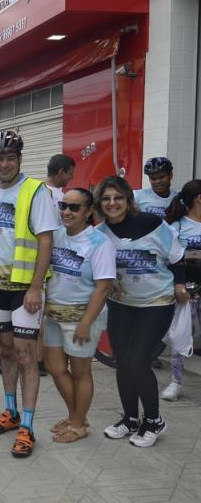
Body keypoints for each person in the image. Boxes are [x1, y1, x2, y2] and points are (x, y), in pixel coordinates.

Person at [0, 130, 59, 458]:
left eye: (11, 158)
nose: (5, 164)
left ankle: (27, 425)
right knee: (7, 352)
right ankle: (10, 412)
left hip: (25, 290)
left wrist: (36, 287)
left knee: (26, 356)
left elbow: (46, 241)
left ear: (20, 159)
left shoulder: (35, 191)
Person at [95, 175, 184, 447]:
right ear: (100, 203)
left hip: (156, 303)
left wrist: (180, 285)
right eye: (106, 199)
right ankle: (131, 419)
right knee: (122, 362)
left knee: (137, 361)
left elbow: (177, 258)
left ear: (128, 200)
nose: (113, 203)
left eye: (118, 198)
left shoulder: (153, 224)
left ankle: (154, 420)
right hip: (122, 305)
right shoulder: (100, 234)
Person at [43, 188, 115, 442]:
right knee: (54, 367)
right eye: (63, 206)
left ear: (88, 212)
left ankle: (77, 424)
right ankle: (76, 415)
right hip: (53, 313)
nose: (66, 212)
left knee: (81, 372)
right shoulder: (56, 235)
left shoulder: (99, 243)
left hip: (82, 315)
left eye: (74, 207)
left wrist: (86, 322)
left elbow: (103, 286)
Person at [163, 180, 201, 401]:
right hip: (187, 291)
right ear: (198, 198)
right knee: (181, 335)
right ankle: (175, 382)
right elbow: (171, 257)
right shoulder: (176, 226)